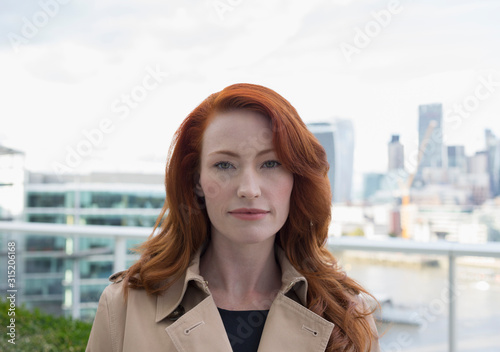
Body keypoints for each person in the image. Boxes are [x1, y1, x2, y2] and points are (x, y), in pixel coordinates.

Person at [86, 83, 380, 352]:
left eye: (271, 163)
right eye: (224, 164)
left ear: (296, 177)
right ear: (197, 181)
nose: (249, 190)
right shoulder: (122, 307)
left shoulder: (350, 312)